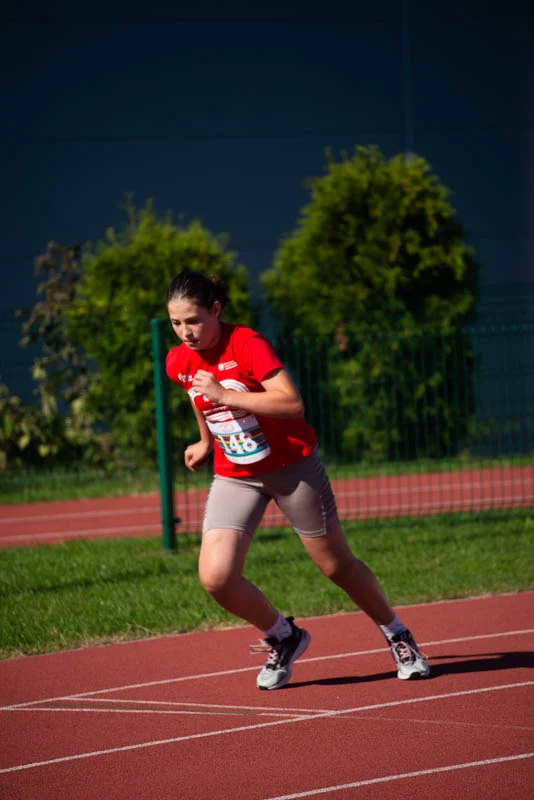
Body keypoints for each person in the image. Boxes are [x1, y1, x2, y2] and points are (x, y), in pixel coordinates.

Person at [165, 268, 430, 690]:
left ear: (216, 309)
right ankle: (283, 637)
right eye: (177, 323)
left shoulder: (247, 343)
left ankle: (398, 634)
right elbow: (199, 396)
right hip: (235, 475)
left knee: (336, 565)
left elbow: (291, 403)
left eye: (194, 320)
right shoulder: (178, 359)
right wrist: (205, 441)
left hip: (292, 468)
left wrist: (225, 394)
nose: (186, 332)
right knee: (216, 577)